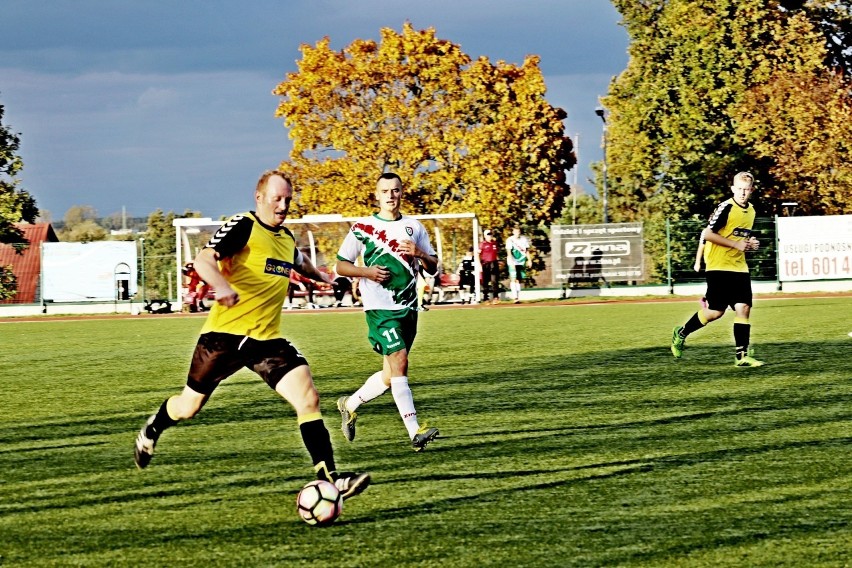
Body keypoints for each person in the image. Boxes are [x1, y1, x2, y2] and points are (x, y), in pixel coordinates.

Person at [133, 170, 370, 500]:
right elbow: (203, 259)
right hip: (224, 337)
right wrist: (222, 286)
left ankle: (332, 480)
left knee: (308, 398)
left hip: (265, 340)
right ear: (259, 198)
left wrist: (329, 281)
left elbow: (302, 265)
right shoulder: (244, 225)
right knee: (188, 407)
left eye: (288, 199)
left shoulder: (286, 240)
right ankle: (152, 430)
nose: (284, 205)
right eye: (277, 198)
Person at [335, 172, 441, 452]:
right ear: (377, 194)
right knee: (400, 361)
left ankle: (350, 404)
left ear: (401, 193)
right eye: (385, 191)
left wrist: (420, 253)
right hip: (380, 309)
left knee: (389, 373)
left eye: (395, 190)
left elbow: (433, 267)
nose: (390, 196)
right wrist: (366, 271)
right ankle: (414, 432)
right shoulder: (363, 227)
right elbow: (341, 265)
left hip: (408, 308)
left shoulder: (414, 226)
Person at [671, 171, 764, 367]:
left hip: (739, 267)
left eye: (746, 190)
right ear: (732, 189)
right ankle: (681, 333)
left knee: (743, 307)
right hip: (718, 266)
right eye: (739, 189)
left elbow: (739, 238)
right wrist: (736, 245)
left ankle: (741, 356)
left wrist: (750, 244)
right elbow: (707, 234)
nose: (742, 193)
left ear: (752, 190)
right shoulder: (726, 207)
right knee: (715, 312)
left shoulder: (752, 211)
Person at [505, 225, 532, 304]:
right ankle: (515, 297)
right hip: (512, 261)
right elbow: (509, 252)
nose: (517, 233)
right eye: (516, 232)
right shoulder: (510, 240)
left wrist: (529, 260)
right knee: (513, 277)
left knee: (519, 279)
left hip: (521, 261)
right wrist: (512, 262)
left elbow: (527, 251)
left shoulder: (524, 239)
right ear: (513, 232)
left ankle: (517, 296)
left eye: (518, 232)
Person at [479, 229, 500, 304]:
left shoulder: (494, 243)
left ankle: (495, 297)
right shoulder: (482, 244)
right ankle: (486, 298)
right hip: (485, 264)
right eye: (488, 234)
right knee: (485, 281)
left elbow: (496, 254)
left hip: (493, 263)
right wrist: (479, 265)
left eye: (490, 234)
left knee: (494, 281)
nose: (490, 235)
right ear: (485, 236)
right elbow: (478, 254)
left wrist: (499, 261)